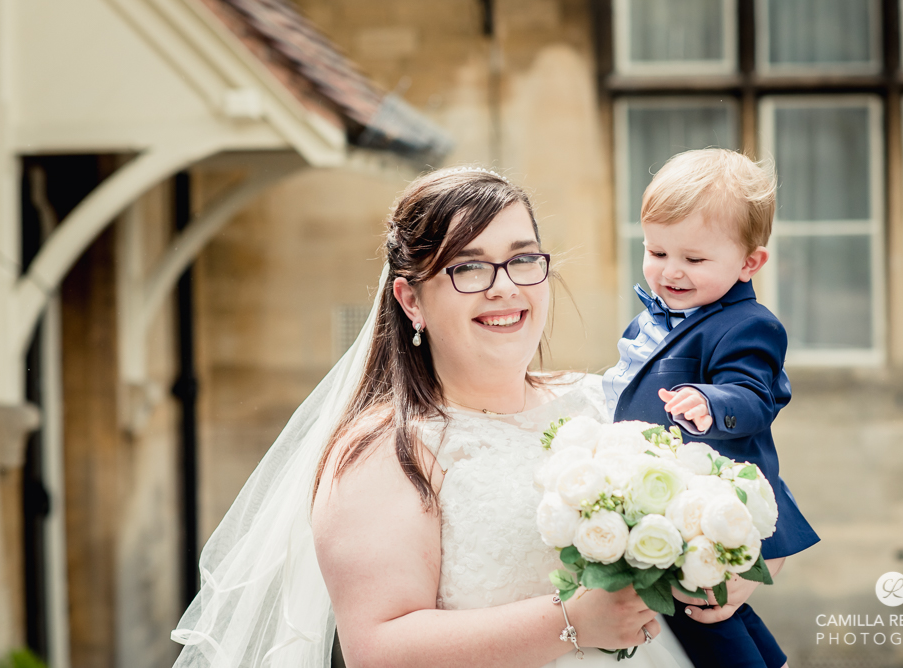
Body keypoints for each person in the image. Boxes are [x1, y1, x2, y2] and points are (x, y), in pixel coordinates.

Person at [171, 167, 695, 667]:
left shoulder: (603, 401)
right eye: (468, 267)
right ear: (410, 299)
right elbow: (377, 649)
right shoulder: (387, 452)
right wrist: (572, 622)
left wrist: (723, 572)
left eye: (523, 259)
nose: (504, 287)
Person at [603, 149, 820, 668]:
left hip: (711, 501)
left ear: (750, 262)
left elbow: (753, 395)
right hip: (665, 494)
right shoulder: (650, 320)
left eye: (694, 260)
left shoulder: (749, 325)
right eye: (656, 252)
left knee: (700, 615)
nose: (670, 272)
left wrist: (709, 400)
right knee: (715, 611)